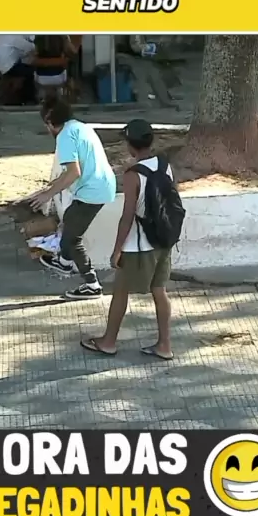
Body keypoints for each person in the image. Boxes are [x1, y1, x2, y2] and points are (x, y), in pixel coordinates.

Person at [80, 119, 185, 361]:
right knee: (159, 291)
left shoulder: (133, 175)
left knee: (120, 291)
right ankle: (164, 345)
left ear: (130, 145)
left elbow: (127, 217)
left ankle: (108, 342)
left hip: (140, 245)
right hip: (163, 240)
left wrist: (117, 250)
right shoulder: (165, 165)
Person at [25, 99, 116, 300]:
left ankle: (92, 284)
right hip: (101, 185)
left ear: (49, 122)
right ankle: (64, 262)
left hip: (92, 192)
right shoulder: (80, 127)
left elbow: (74, 173)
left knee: (73, 239)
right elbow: (71, 171)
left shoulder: (64, 138)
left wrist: (47, 195)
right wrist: (50, 187)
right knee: (69, 220)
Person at [0, 34, 36, 104]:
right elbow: (31, 48)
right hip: (6, 69)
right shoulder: (15, 36)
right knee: (30, 70)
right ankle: (28, 99)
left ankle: (16, 92)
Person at [34, 35, 78, 102]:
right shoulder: (62, 35)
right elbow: (73, 52)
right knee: (71, 62)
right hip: (59, 77)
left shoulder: (37, 36)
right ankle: (61, 95)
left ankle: (41, 97)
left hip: (41, 78)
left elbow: (32, 55)